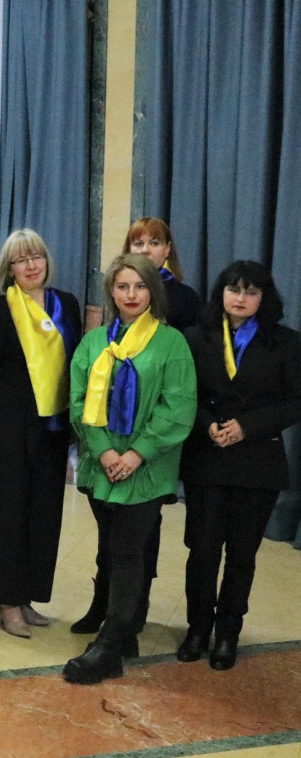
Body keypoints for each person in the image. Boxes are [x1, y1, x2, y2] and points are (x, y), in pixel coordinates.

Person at [64, 254, 195, 684]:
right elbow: (78, 401)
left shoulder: (171, 343)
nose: (131, 295)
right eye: (122, 287)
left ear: (152, 291)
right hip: (101, 465)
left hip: (146, 468)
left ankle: (109, 648)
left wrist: (136, 454)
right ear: (112, 292)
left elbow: (177, 408)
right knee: (110, 549)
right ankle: (121, 634)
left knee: (127, 553)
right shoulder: (93, 342)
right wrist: (103, 451)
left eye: (139, 286)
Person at [178, 261, 301, 670]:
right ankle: (197, 629)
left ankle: (228, 633)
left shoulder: (285, 342)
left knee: (242, 554)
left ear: (264, 298)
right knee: (202, 550)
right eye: (234, 290)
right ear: (222, 293)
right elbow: (182, 394)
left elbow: (294, 401)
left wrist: (247, 426)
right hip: (206, 457)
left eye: (251, 292)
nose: (241, 298)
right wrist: (207, 424)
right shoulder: (195, 337)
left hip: (257, 462)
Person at [0, 229, 81, 637]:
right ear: (8, 269)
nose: (31, 266)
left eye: (37, 257)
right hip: (10, 426)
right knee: (7, 515)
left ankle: (27, 594)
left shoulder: (66, 304)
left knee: (42, 514)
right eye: (21, 260)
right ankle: (7, 602)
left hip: (53, 428)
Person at [124, 217, 202, 330]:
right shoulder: (118, 291)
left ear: (167, 249)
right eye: (138, 244)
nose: (145, 250)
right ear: (129, 249)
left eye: (154, 243)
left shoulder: (186, 297)